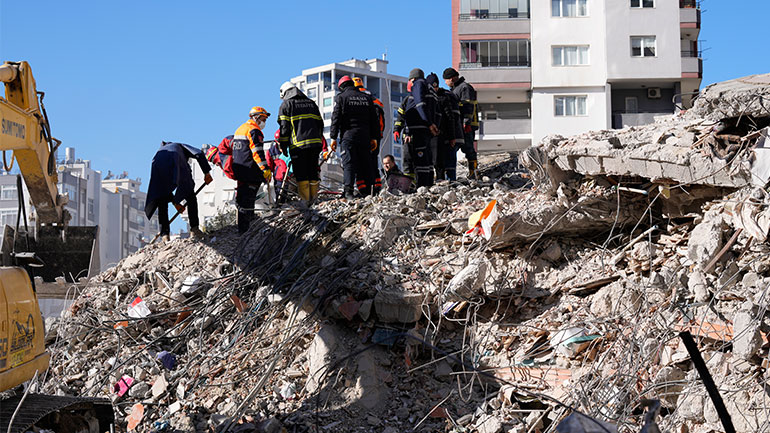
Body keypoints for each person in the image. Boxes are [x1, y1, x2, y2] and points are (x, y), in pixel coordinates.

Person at [145, 141, 212, 241]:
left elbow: (164, 187)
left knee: (161, 200)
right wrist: (206, 173)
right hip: (175, 160)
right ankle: (194, 229)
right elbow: (199, 153)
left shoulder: (160, 152)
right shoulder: (180, 146)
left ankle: (165, 235)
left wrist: (175, 203)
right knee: (190, 196)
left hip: (157, 166)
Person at [330, 75, 380, 199]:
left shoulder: (341, 98)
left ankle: (348, 192)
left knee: (349, 163)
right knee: (366, 163)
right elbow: (374, 119)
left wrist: (333, 137)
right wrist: (374, 137)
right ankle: (370, 191)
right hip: (365, 136)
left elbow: (336, 118)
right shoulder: (367, 98)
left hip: (349, 136)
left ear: (341, 87)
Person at [277, 81, 324, 206]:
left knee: (302, 175)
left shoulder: (286, 105)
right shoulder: (311, 103)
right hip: (315, 145)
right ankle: (313, 199)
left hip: (298, 147)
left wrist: (283, 145)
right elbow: (320, 124)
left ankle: (306, 201)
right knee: (313, 173)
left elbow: (284, 128)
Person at [232, 106, 272, 233]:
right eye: (263, 118)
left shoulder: (240, 129)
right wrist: (265, 169)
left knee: (242, 201)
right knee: (249, 202)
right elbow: (257, 152)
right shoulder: (254, 130)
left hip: (240, 171)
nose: (264, 122)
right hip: (250, 172)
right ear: (257, 117)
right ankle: (247, 231)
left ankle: (242, 229)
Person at [401, 68, 439, 188]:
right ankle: (428, 185)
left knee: (420, 157)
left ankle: (421, 187)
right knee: (427, 159)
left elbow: (419, 105)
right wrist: (433, 124)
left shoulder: (418, 84)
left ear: (412, 79)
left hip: (418, 128)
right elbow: (437, 111)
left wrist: (428, 123)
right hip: (427, 129)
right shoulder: (431, 88)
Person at [426, 73, 464, 181]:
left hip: (442, 136)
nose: (434, 89)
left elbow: (450, 118)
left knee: (441, 163)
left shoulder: (444, 98)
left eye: (436, 86)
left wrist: (452, 137)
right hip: (434, 136)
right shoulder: (427, 97)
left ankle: (444, 182)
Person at [443, 67, 479, 179]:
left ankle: (474, 172)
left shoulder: (464, 88)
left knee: (469, 149)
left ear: (452, 78)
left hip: (467, 125)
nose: (446, 82)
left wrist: (466, 122)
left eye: (446, 80)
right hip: (460, 124)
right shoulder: (455, 89)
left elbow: (468, 105)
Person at [353, 77, 385, 195]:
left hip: (363, 135)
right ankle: (375, 187)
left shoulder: (357, 99)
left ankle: (364, 190)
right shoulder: (376, 100)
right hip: (376, 136)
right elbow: (382, 120)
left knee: (360, 163)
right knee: (373, 162)